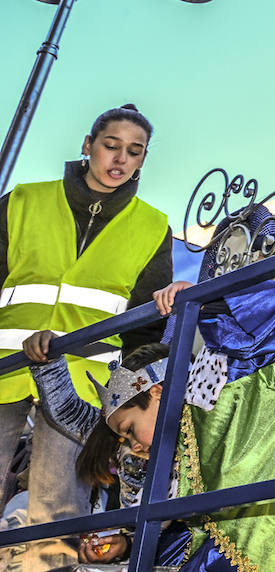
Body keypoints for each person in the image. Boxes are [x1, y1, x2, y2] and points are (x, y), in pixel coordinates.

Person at [25, 278, 275, 571]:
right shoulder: (138, 456)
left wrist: (203, 301)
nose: (130, 446)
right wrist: (46, 361)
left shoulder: (219, 387)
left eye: (129, 431)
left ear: (157, 392)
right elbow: (74, 417)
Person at [0, 104, 172, 570]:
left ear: (142, 161)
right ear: (87, 146)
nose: (120, 159)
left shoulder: (153, 226)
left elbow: (146, 326)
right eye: (111, 146)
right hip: (4, 370)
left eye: (134, 152)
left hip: (85, 382)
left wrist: (125, 397)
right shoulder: (23, 200)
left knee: (58, 511)